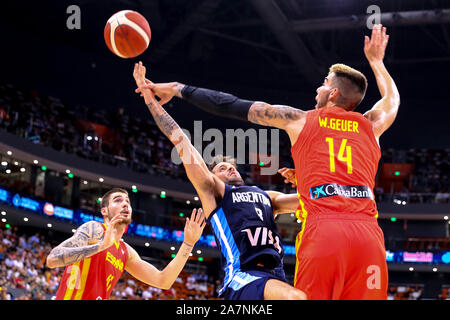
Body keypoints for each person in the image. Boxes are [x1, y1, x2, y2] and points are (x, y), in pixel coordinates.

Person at [138, 24, 399, 299]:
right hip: (368, 234)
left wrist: (179, 88)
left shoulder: (299, 119)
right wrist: (377, 62)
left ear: (333, 93)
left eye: (324, 83)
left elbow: (229, 104)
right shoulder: (372, 125)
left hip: (325, 231)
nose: (318, 88)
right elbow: (392, 99)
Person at [133, 62, 306, 300]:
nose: (229, 168)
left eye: (232, 166)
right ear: (213, 177)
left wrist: (305, 178)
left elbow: (308, 200)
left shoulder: (268, 197)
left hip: (275, 277)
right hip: (243, 277)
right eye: (222, 168)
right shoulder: (215, 192)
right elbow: (180, 140)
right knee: (296, 298)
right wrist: (150, 100)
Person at [46, 188, 205, 300]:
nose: (125, 204)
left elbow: (163, 281)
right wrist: (101, 246)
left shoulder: (126, 252)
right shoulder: (94, 229)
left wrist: (188, 244)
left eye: (127, 202)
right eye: (117, 200)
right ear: (104, 211)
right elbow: (52, 259)